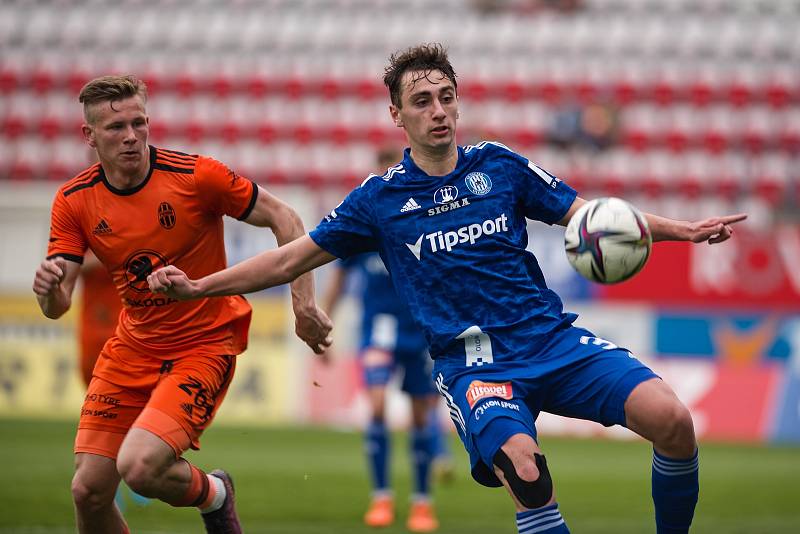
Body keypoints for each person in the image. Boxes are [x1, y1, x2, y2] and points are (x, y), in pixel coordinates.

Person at [148, 44, 747, 534]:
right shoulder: (378, 200)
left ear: (458, 104)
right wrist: (199, 286)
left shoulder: (500, 165)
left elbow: (591, 219)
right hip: (475, 364)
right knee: (527, 474)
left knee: (673, 420)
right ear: (397, 115)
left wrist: (679, 231)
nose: (438, 110)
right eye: (422, 100)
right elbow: (290, 260)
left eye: (446, 97)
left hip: (551, 339)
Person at [32, 75, 332, 534]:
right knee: (88, 492)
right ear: (88, 136)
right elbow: (59, 305)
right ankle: (215, 493)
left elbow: (285, 218)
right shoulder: (74, 201)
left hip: (203, 344)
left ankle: (214, 495)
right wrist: (48, 289)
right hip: (132, 347)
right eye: (115, 128)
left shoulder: (196, 176)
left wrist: (303, 305)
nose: (131, 136)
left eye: (139, 123)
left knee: (140, 467)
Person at [322, 146, 450, 532]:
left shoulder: (423, 222)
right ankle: (381, 497)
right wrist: (325, 321)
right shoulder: (365, 226)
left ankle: (422, 504)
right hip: (378, 330)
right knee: (376, 406)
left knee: (420, 417)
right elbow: (341, 278)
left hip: (420, 332)